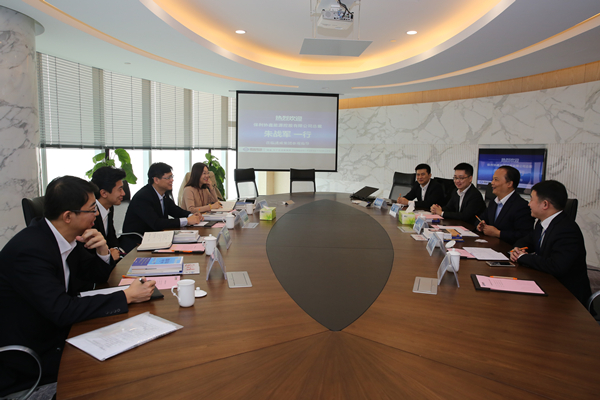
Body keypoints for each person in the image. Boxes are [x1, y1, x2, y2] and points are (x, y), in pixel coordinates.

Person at [0, 176, 155, 397]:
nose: (96, 214)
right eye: (91, 209)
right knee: (125, 375)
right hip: (33, 358)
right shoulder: (29, 251)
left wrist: (102, 250)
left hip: (61, 333)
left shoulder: (66, 238)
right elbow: (62, 310)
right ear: (68, 216)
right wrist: (126, 296)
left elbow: (95, 276)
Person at [510, 180, 591, 305]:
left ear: (545, 204)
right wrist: (517, 249)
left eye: (531, 199)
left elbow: (556, 266)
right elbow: (527, 240)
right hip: (546, 283)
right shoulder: (542, 222)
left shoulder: (567, 230)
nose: (529, 204)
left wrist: (522, 257)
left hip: (567, 298)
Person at [121, 162, 202, 252]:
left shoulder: (163, 194)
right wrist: (187, 221)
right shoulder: (143, 197)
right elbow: (156, 223)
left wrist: (191, 215)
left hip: (157, 239)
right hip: (138, 242)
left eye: (172, 177)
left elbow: (175, 210)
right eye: (168, 178)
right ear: (156, 180)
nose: (172, 180)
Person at [476, 166, 534, 245]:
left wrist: (498, 233)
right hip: (490, 245)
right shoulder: (493, 202)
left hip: (507, 249)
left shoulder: (521, 206)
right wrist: (480, 225)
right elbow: (480, 218)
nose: (492, 183)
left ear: (509, 184)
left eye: (496, 180)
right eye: (493, 179)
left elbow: (523, 235)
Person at [91, 166, 126, 261]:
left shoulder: (109, 207)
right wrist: (109, 255)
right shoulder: (90, 213)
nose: (123, 193)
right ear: (104, 193)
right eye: (120, 189)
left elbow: (112, 238)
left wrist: (115, 249)